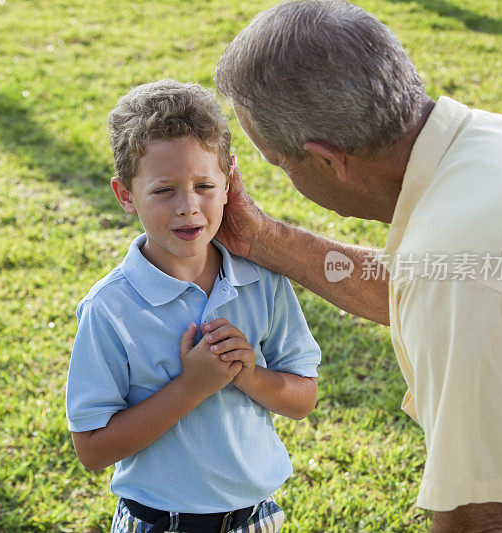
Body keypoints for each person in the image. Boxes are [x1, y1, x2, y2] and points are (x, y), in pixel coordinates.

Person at [213, 1, 502, 531]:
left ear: (327, 160)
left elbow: (479, 516)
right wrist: (262, 239)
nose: (284, 176)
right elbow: (424, 280)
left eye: (280, 163)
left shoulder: (467, 281)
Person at [65, 79, 322, 533]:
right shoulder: (110, 307)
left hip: (256, 517)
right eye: (164, 191)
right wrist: (193, 386)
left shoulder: (261, 279)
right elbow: (92, 449)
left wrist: (251, 376)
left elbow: (303, 397)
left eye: (204, 185)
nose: (189, 208)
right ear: (125, 194)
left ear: (229, 183)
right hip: (160, 523)